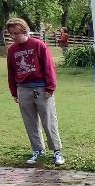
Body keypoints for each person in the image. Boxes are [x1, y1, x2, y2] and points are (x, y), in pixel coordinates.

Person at [6, 17, 64, 166]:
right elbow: (11, 72)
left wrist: (50, 87)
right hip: (23, 88)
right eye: (11, 33)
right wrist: (14, 92)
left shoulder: (38, 45)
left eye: (16, 33)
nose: (13, 36)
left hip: (41, 88)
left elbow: (49, 66)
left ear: (24, 30)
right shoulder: (12, 50)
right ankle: (37, 150)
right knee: (30, 121)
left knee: (49, 120)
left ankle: (57, 151)